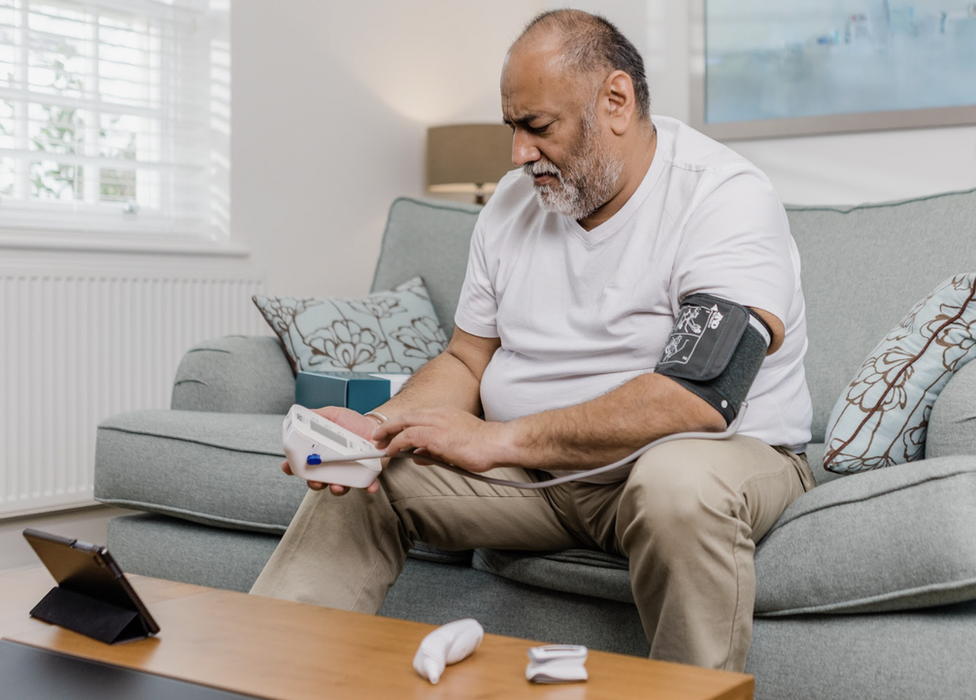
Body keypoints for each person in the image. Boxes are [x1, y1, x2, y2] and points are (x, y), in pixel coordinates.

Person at [250, 9, 814, 672]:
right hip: (542, 483)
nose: (518, 154)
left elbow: (702, 393)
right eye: (512, 128)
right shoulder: (511, 210)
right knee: (371, 477)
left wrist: (500, 440)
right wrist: (373, 430)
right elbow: (466, 358)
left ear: (615, 101)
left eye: (537, 126)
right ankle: (263, 679)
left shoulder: (721, 196)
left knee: (675, 484)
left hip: (705, 458)